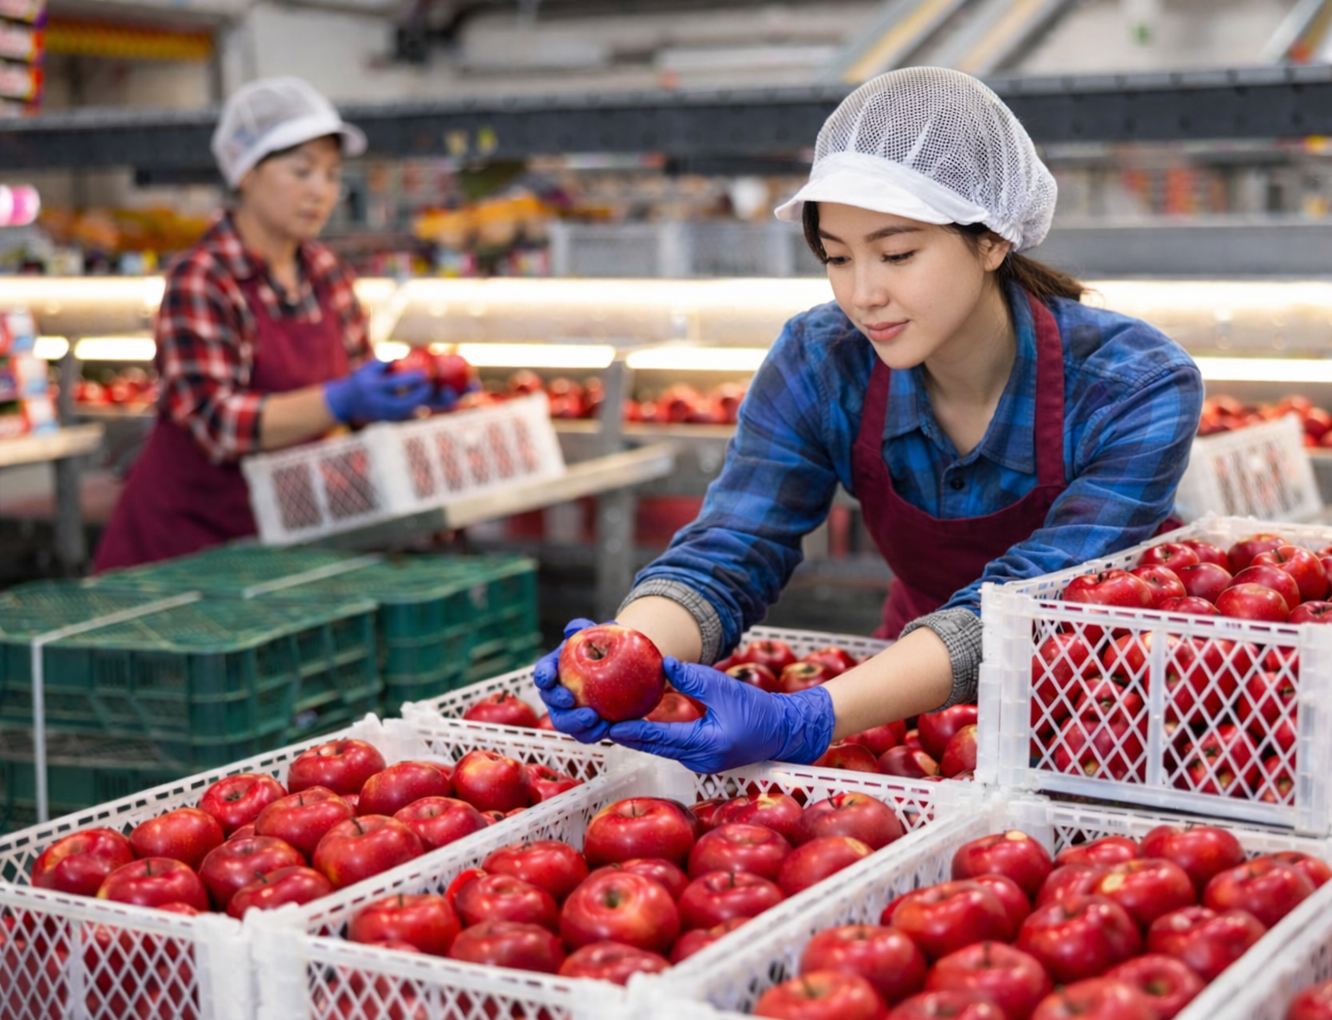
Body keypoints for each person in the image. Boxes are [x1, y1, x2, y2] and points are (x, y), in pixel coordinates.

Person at [534, 67, 1203, 771]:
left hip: (1123, 698)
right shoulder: (823, 359)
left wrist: (811, 718)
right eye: (836, 258)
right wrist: (622, 653)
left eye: (897, 253)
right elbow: (735, 542)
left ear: (993, 240)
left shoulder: (1135, 385)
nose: (863, 294)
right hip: (912, 689)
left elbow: (1033, 602)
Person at [95, 78, 450, 571]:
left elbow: (356, 395)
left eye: (330, 175)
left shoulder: (326, 274)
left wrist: (405, 399)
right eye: (301, 171)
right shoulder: (204, 280)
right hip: (184, 548)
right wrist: (338, 399)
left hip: (287, 536)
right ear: (245, 173)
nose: (320, 192)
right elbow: (217, 424)